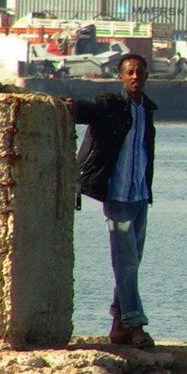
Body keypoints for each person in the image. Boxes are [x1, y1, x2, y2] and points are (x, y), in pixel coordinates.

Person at [67, 52, 156, 347]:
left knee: (131, 265)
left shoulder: (146, 110)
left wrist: (146, 190)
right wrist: (71, 107)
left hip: (140, 196)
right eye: (130, 72)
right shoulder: (111, 105)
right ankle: (135, 324)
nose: (135, 77)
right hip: (117, 196)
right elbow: (87, 111)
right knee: (126, 263)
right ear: (120, 77)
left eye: (139, 72)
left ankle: (118, 326)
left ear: (146, 76)